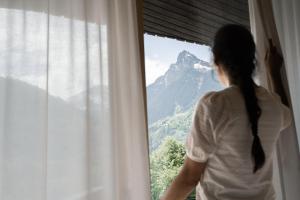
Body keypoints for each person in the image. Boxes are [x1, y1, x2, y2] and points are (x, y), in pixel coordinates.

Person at [161, 24, 292, 200]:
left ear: (216, 61)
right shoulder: (274, 106)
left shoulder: (213, 105)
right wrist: (274, 73)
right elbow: (286, 114)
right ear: (252, 60)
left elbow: (190, 177)